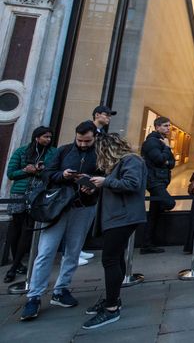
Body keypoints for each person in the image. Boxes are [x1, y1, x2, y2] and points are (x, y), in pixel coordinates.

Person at [20, 121, 99, 321]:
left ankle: (61, 289)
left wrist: (92, 182)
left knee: (73, 250)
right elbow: (47, 174)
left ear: (94, 138)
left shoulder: (98, 153)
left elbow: (104, 176)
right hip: (58, 207)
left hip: (84, 206)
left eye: (87, 141)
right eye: (80, 140)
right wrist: (63, 175)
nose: (82, 144)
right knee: (46, 251)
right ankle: (34, 296)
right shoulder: (63, 151)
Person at [82, 133, 147, 329]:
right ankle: (113, 299)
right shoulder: (123, 163)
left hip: (123, 217)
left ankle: (111, 308)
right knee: (115, 257)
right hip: (116, 216)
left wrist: (105, 182)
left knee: (110, 259)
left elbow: (132, 184)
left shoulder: (131, 161)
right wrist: (97, 186)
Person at [4, 127, 57, 283]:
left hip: (38, 194)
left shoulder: (52, 153)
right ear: (36, 137)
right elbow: (11, 173)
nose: (48, 139)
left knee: (28, 229)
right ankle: (17, 262)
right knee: (15, 228)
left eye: (50, 137)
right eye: (45, 137)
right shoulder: (21, 151)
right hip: (19, 193)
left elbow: (52, 172)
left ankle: (14, 267)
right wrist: (26, 171)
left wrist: (38, 172)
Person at [140, 116, 176, 254]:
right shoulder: (152, 142)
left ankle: (147, 244)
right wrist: (167, 149)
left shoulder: (161, 141)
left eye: (169, 126)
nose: (168, 128)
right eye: (165, 126)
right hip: (154, 181)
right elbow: (160, 159)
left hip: (160, 180)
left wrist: (166, 160)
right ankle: (147, 242)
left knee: (154, 214)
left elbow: (171, 163)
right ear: (157, 127)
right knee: (169, 203)